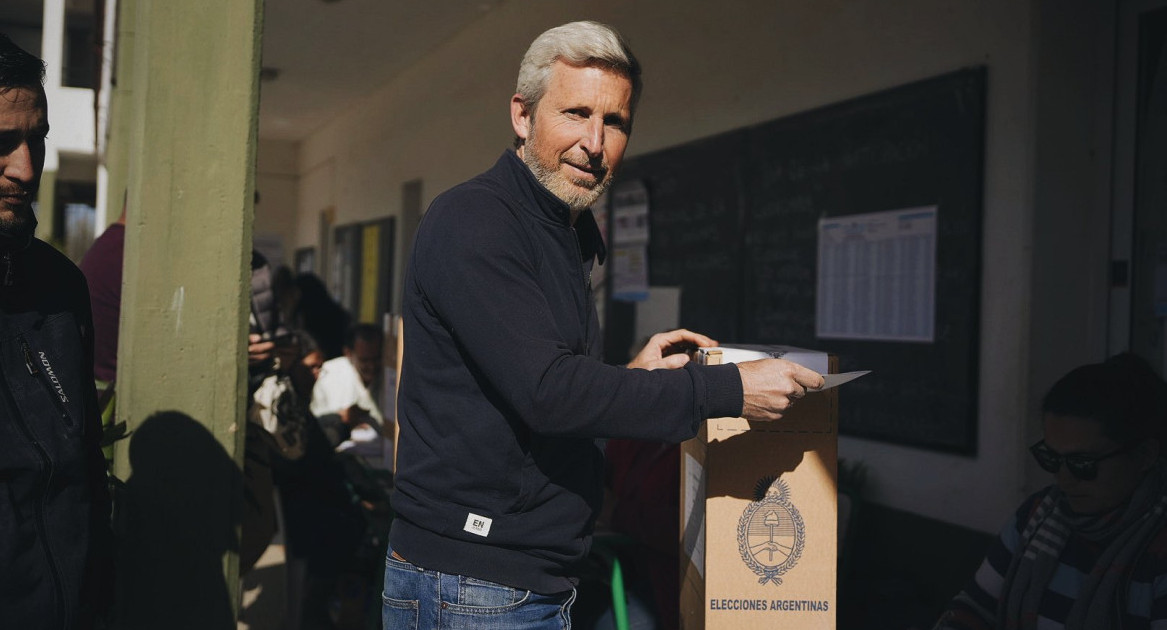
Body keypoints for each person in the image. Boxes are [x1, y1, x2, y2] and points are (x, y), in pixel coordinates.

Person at [384, 21, 824, 629]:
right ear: (522, 115)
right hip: (473, 583)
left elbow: (536, 380)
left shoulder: (562, 229)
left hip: (519, 578)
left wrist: (626, 376)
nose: (594, 142)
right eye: (575, 113)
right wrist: (732, 392)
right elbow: (547, 392)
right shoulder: (476, 221)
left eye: (614, 122)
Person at [0, 32, 113, 628]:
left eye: (35, 140)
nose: (24, 167)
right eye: (1, 142)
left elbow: (83, 475)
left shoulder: (61, 289)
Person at [935, 353, 1167, 629]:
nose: (1064, 479)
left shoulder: (1158, 546)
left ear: (1144, 455)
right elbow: (975, 606)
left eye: (1083, 464)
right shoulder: (1038, 514)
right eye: (1052, 458)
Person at [310, 322, 385, 448]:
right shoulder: (327, 375)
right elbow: (317, 423)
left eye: (376, 359)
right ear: (348, 353)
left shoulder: (390, 375)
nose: (371, 366)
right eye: (364, 360)